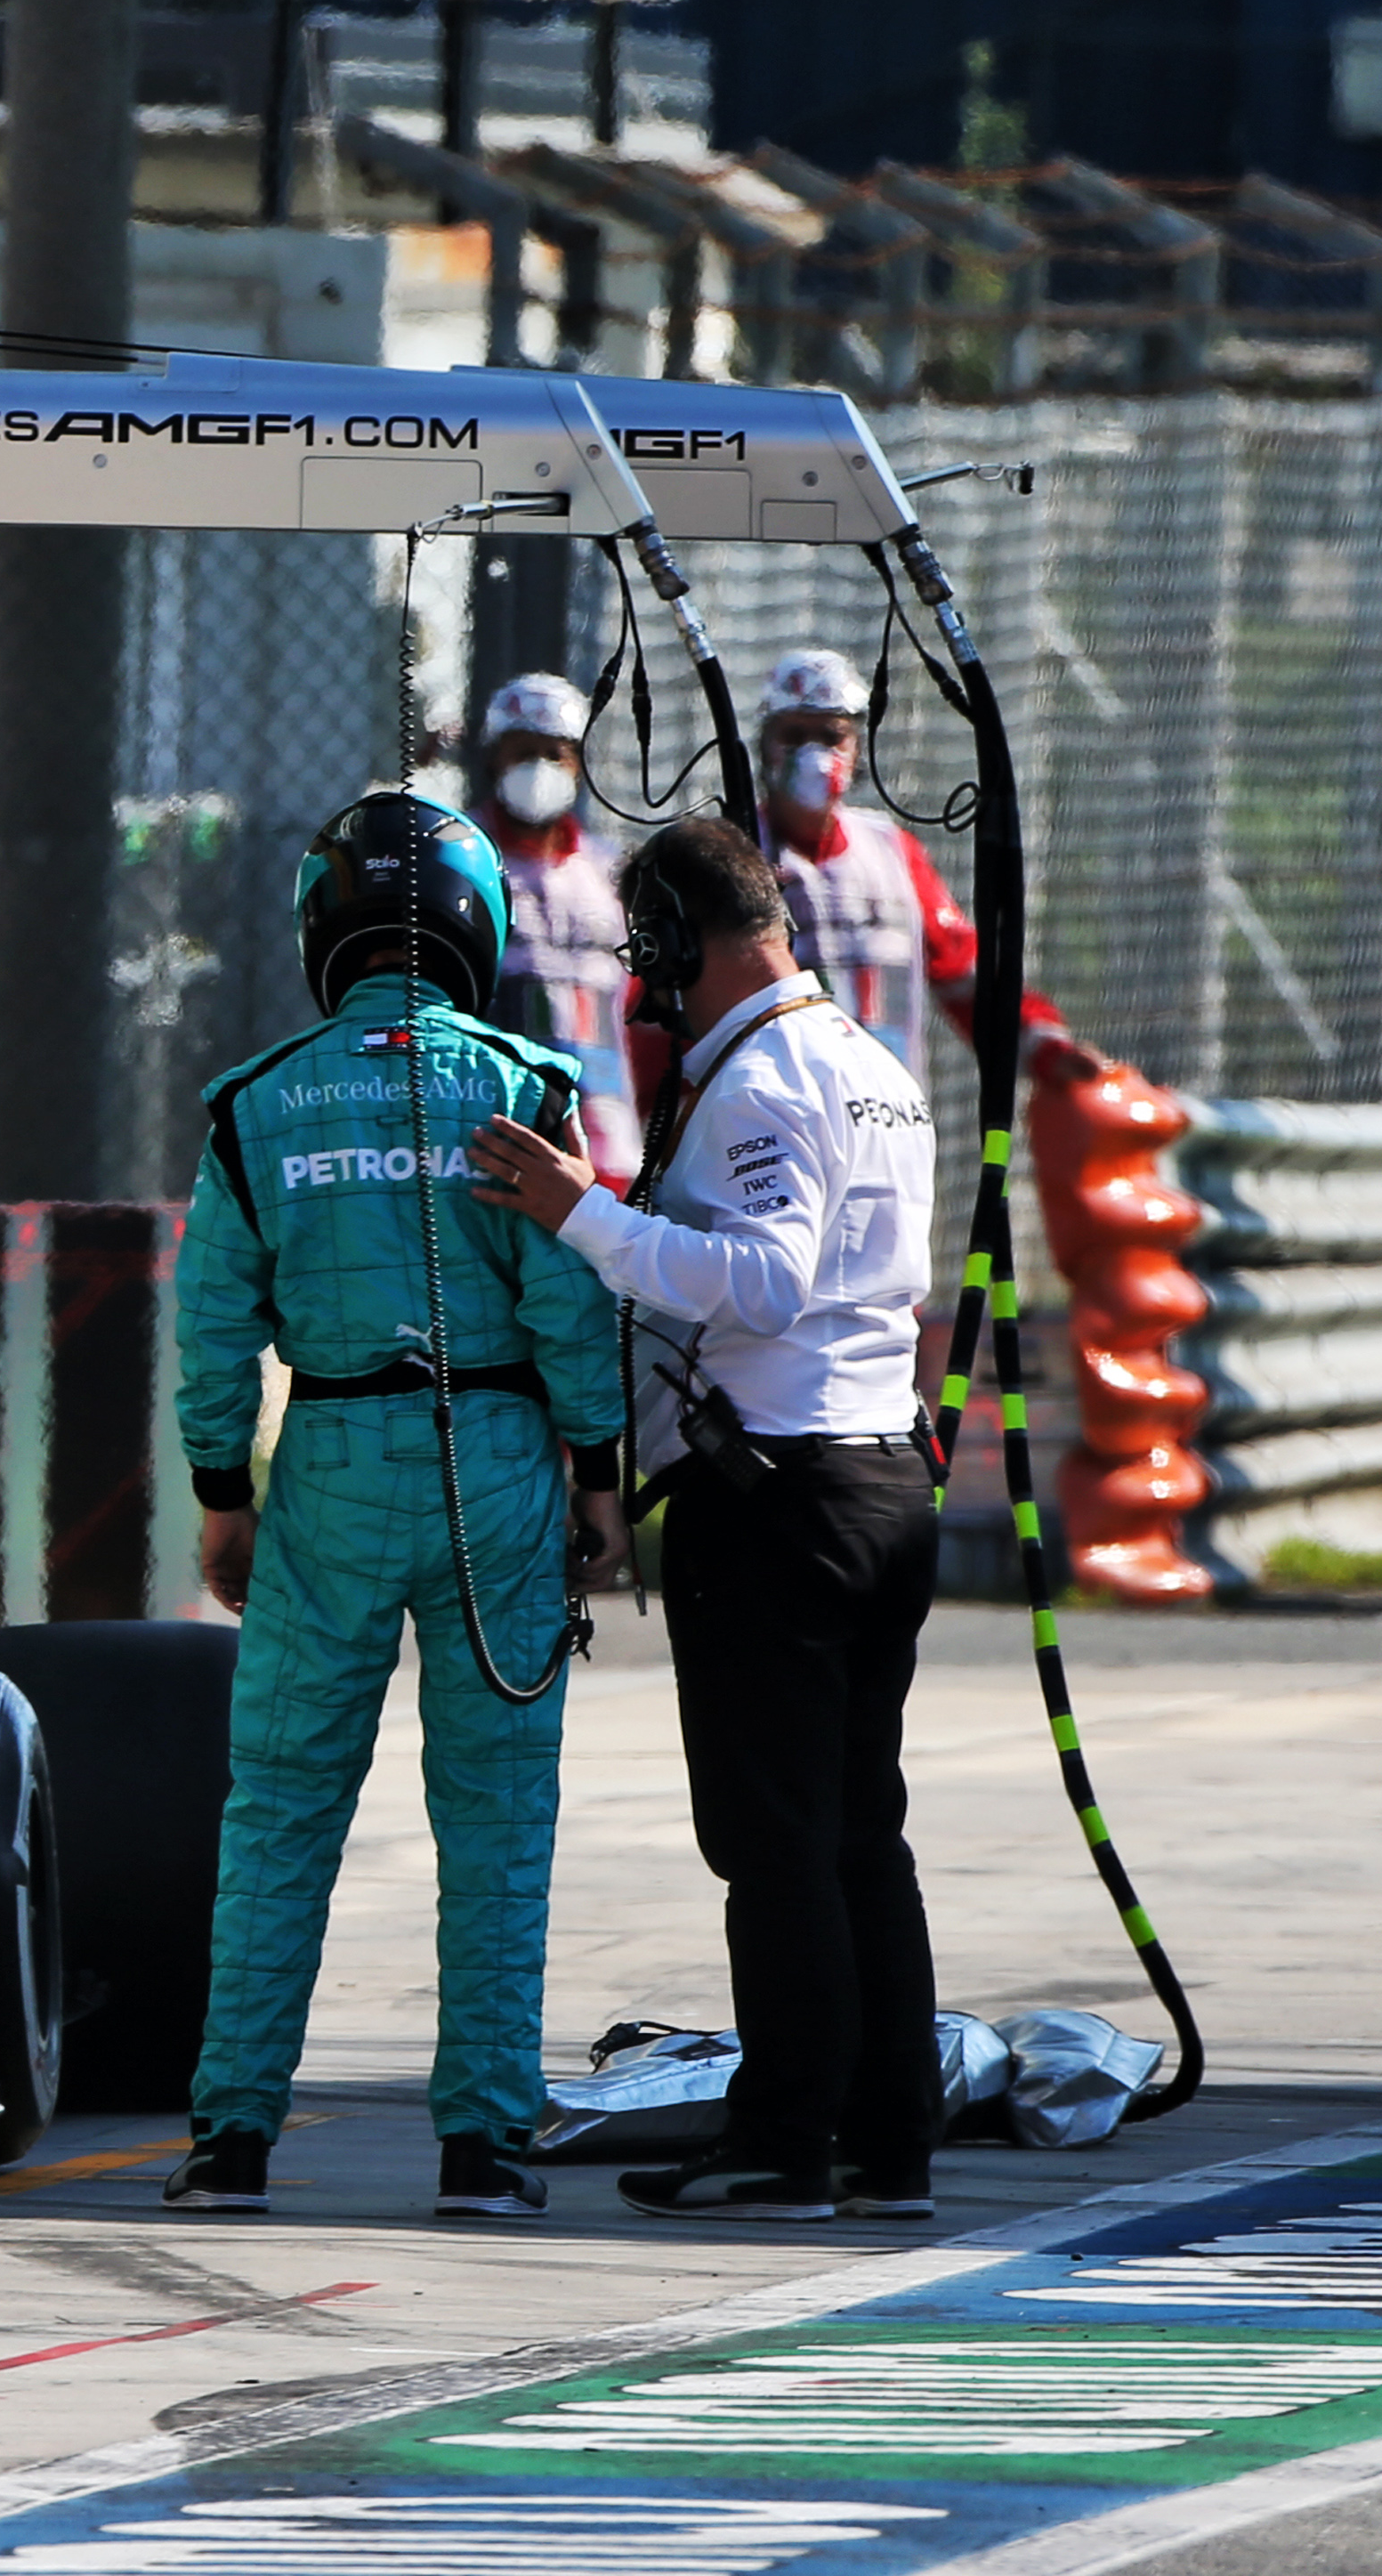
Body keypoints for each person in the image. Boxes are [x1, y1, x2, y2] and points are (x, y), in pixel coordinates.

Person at [475, 816, 949, 2225]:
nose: (646, 986)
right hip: (876, 1482)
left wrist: (583, 1215)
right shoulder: (871, 1063)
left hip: (780, 1499)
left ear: (687, 937)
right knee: (863, 1831)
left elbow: (762, 1280)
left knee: (775, 1840)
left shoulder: (763, 1080)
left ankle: (787, 2143)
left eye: (651, 954)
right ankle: (888, 2143)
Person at [165, 793, 629, 2224]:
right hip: (492, 1455)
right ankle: (483, 2150)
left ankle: (229, 2142)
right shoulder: (524, 1085)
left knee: (283, 1814)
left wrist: (223, 1496)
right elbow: (571, 1305)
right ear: (479, 927)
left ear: (324, 927)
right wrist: (596, 1479)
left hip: (329, 1461)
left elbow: (210, 1330)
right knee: (496, 1815)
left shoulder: (254, 1102)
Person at [748, 649, 1081, 1093]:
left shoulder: (890, 851)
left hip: (889, 1118)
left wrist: (1047, 1050)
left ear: (856, 748)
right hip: (777, 1121)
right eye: (794, 735)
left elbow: (964, 973)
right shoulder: (732, 854)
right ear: (763, 744)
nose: (815, 755)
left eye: (831, 737)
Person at [470, 672, 643, 1183]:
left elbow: (638, 1011)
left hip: (606, 1153)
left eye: (555, 754)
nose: (539, 768)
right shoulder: (463, 860)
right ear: (493, 757)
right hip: (491, 1144)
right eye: (523, 752)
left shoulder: (609, 873)